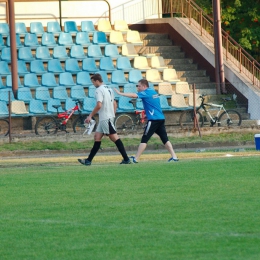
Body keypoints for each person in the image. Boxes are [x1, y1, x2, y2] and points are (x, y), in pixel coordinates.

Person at [114, 79, 179, 163]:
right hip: (160, 118)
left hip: (153, 120)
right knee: (165, 139)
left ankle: (136, 158)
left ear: (144, 86)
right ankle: (174, 156)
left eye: (139, 86)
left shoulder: (146, 92)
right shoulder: (153, 91)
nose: (138, 88)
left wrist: (120, 93)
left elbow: (134, 96)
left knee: (145, 139)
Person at [78, 73, 131, 166]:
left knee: (114, 138)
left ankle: (126, 159)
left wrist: (90, 116)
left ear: (97, 81)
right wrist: (112, 114)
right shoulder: (109, 89)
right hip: (106, 117)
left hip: (105, 118)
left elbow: (99, 105)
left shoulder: (99, 90)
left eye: (93, 82)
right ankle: (88, 160)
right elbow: (114, 103)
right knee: (97, 137)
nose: (93, 84)